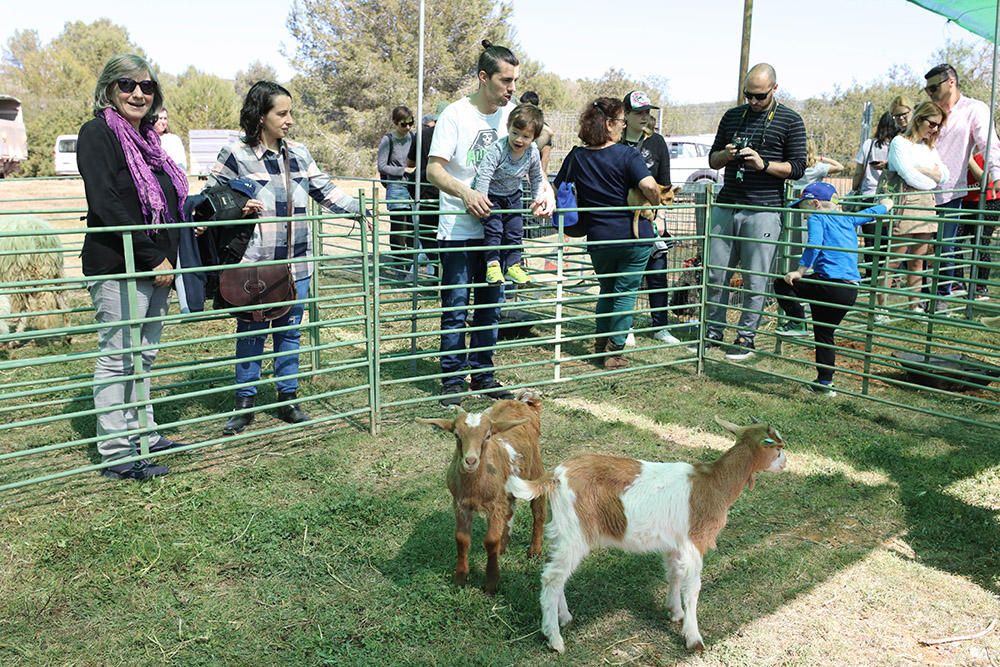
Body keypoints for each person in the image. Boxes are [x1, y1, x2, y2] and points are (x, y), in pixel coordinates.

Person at [209, 81, 361, 435]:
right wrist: (238, 206)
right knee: (251, 331)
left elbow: (325, 190)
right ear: (261, 116)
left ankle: (287, 399)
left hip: (297, 264)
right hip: (255, 263)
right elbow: (212, 196)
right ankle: (244, 401)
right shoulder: (236, 153)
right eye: (282, 113)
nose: (289, 120)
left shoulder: (300, 154)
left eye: (291, 112)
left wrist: (360, 209)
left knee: (290, 332)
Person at [77, 54, 189, 481]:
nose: (138, 93)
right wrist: (152, 256)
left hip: (158, 266)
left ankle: (145, 433)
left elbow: (166, 202)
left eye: (146, 86)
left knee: (143, 356)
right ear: (109, 89)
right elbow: (106, 205)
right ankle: (118, 452)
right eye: (127, 85)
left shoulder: (150, 142)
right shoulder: (97, 134)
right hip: (119, 265)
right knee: (118, 357)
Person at [427, 41, 553, 407]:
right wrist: (466, 193)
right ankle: (452, 379)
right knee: (455, 306)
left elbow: (534, 161)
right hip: (460, 228)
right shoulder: (455, 115)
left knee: (490, 305)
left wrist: (545, 192)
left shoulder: (514, 114)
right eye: (505, 80)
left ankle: (483, 373)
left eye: (515, 80)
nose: (512, 88)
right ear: (484, 77)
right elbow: (434, 168)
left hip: (499, 228)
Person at [698, 63, 807, 360]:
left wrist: (764, 165)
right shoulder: (733, 116)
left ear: (774, 88)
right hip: (727, 203)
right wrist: (727, 154)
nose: (754, 102)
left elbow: (798, 168)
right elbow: (712, 160)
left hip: (764, 209)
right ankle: (712, 331)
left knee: (755, 279)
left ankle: (746, 338)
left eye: (760, 96)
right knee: (716, 274)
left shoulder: (791, 120)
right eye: (749, 95)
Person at [554, 97, 660, 370]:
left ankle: (601, 345)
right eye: (622, 121)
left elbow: (559, 187)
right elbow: (649, 186)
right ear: (610, 124)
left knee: (607, 291)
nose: (624, 126)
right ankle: (614, 351)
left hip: (598, 237)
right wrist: (655, 198)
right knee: (625, 293)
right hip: (633, 237)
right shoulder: (628, 155)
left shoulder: (577, 156)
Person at [774, 183, 893, 396]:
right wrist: (887, 204)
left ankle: (797, 321)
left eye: (803, 207)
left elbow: (814, 244)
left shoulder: (817, 217)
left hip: (830, 286)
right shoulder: (847, 218)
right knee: (824, 332)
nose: (802, 214)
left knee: (782, 283)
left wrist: (800, 271)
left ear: (816, 204)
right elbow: (871, 212)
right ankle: (825, 383)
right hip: (849, 290)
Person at [923, 64, 1000, 299]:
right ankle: (919, 298)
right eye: (927, 89)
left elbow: (989, 143)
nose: (931, 93)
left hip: (949, 192)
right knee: (920, 248)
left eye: (934, 87)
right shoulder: (927, 110)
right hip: (919, 189)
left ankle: (942, 297)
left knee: (946, 247)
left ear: (951, 82)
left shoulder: (974, 109)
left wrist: (997, 174)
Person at [619, 90, 679, 345]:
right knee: (627, 274)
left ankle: (660, 326)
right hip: (622, 216)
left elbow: (664, 181)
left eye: (647, 112)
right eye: (639, 112)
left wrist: (660, 216)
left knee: (657, 270)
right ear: (626, 115)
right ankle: (626, 325)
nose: (645, 117)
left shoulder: (657, 142)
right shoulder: (615, 142)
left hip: (651, 217)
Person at [883, 100, 949, 312]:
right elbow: (908, 174)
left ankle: (915, 307)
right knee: (894, 260)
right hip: (906, 204)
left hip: (927, 206)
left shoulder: (928, 147)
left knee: (918, 261)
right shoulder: (899, 143)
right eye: (932, 124)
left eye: (938, 125)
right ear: (919, 120)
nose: (935, 129)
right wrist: (932, 176)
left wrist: (928, 172)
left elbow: (945, 176)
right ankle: (879, 309)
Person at [473, 103, 545, 285]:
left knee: (515, 230)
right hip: (491, 195)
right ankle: (493, 265)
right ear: (508, 128)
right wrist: (480, 198)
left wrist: (538, 198)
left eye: (526, 136)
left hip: (513, 195)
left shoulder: (533, 152)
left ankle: (513, 265)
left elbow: (536, 176)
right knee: (494, 229)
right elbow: (484, 173)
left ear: (534, 138)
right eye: (515, 133)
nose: (519, 139)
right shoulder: (498, 149)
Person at [852, 111, 898, 277]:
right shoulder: (898, 145)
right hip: (889, 198)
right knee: (887, 239)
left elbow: (858, 171)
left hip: (868, 195)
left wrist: (855, 186)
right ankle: (886, 274)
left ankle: (871, 273)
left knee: (870, 239)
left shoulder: (869, 144)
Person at [377, 105, 416, 253]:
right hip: (396, 189)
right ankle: (399, 265)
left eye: (410, 123)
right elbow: (381, 166)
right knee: (399, 229)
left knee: (413, 228)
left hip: (412, 187)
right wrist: (403, 170)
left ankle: (413, 266)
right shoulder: (388, 140)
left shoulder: (413, 138)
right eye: (403, 124)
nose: (407, 127)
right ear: (395, 122)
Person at [961, 152, 997, 300]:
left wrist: (969, 160)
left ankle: (980, 285)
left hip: (988, 200)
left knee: (981, 243)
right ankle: (958, 283)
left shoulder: (991, 150)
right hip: (963, 199)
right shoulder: (960, 147)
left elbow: (985, 180)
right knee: (955, 242)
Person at [519, 90, 555, 174]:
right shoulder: (517, 123)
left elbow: (545, 156)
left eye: (527, 107)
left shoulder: (543, 129)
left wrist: (541, 174)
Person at [154, 107, 187, 172]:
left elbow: (181, 165)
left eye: (165, 118)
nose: (163, 122)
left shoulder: (174, 140)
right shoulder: (145, 139)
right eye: (160, 118)